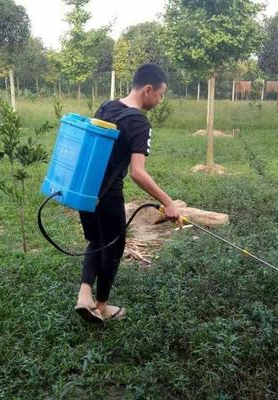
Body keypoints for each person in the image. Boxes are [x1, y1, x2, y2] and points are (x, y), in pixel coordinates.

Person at [74, 63, 181, 323]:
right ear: (148, 90)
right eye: (161, 93)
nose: (160, 99)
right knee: (114, 246)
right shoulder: (139, 122)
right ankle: (101, 307)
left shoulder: (106, 106)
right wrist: (167, 202)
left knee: (97, 240)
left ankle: (84, 295)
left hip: (85, 187)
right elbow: (137, 172)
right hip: (108, 193)